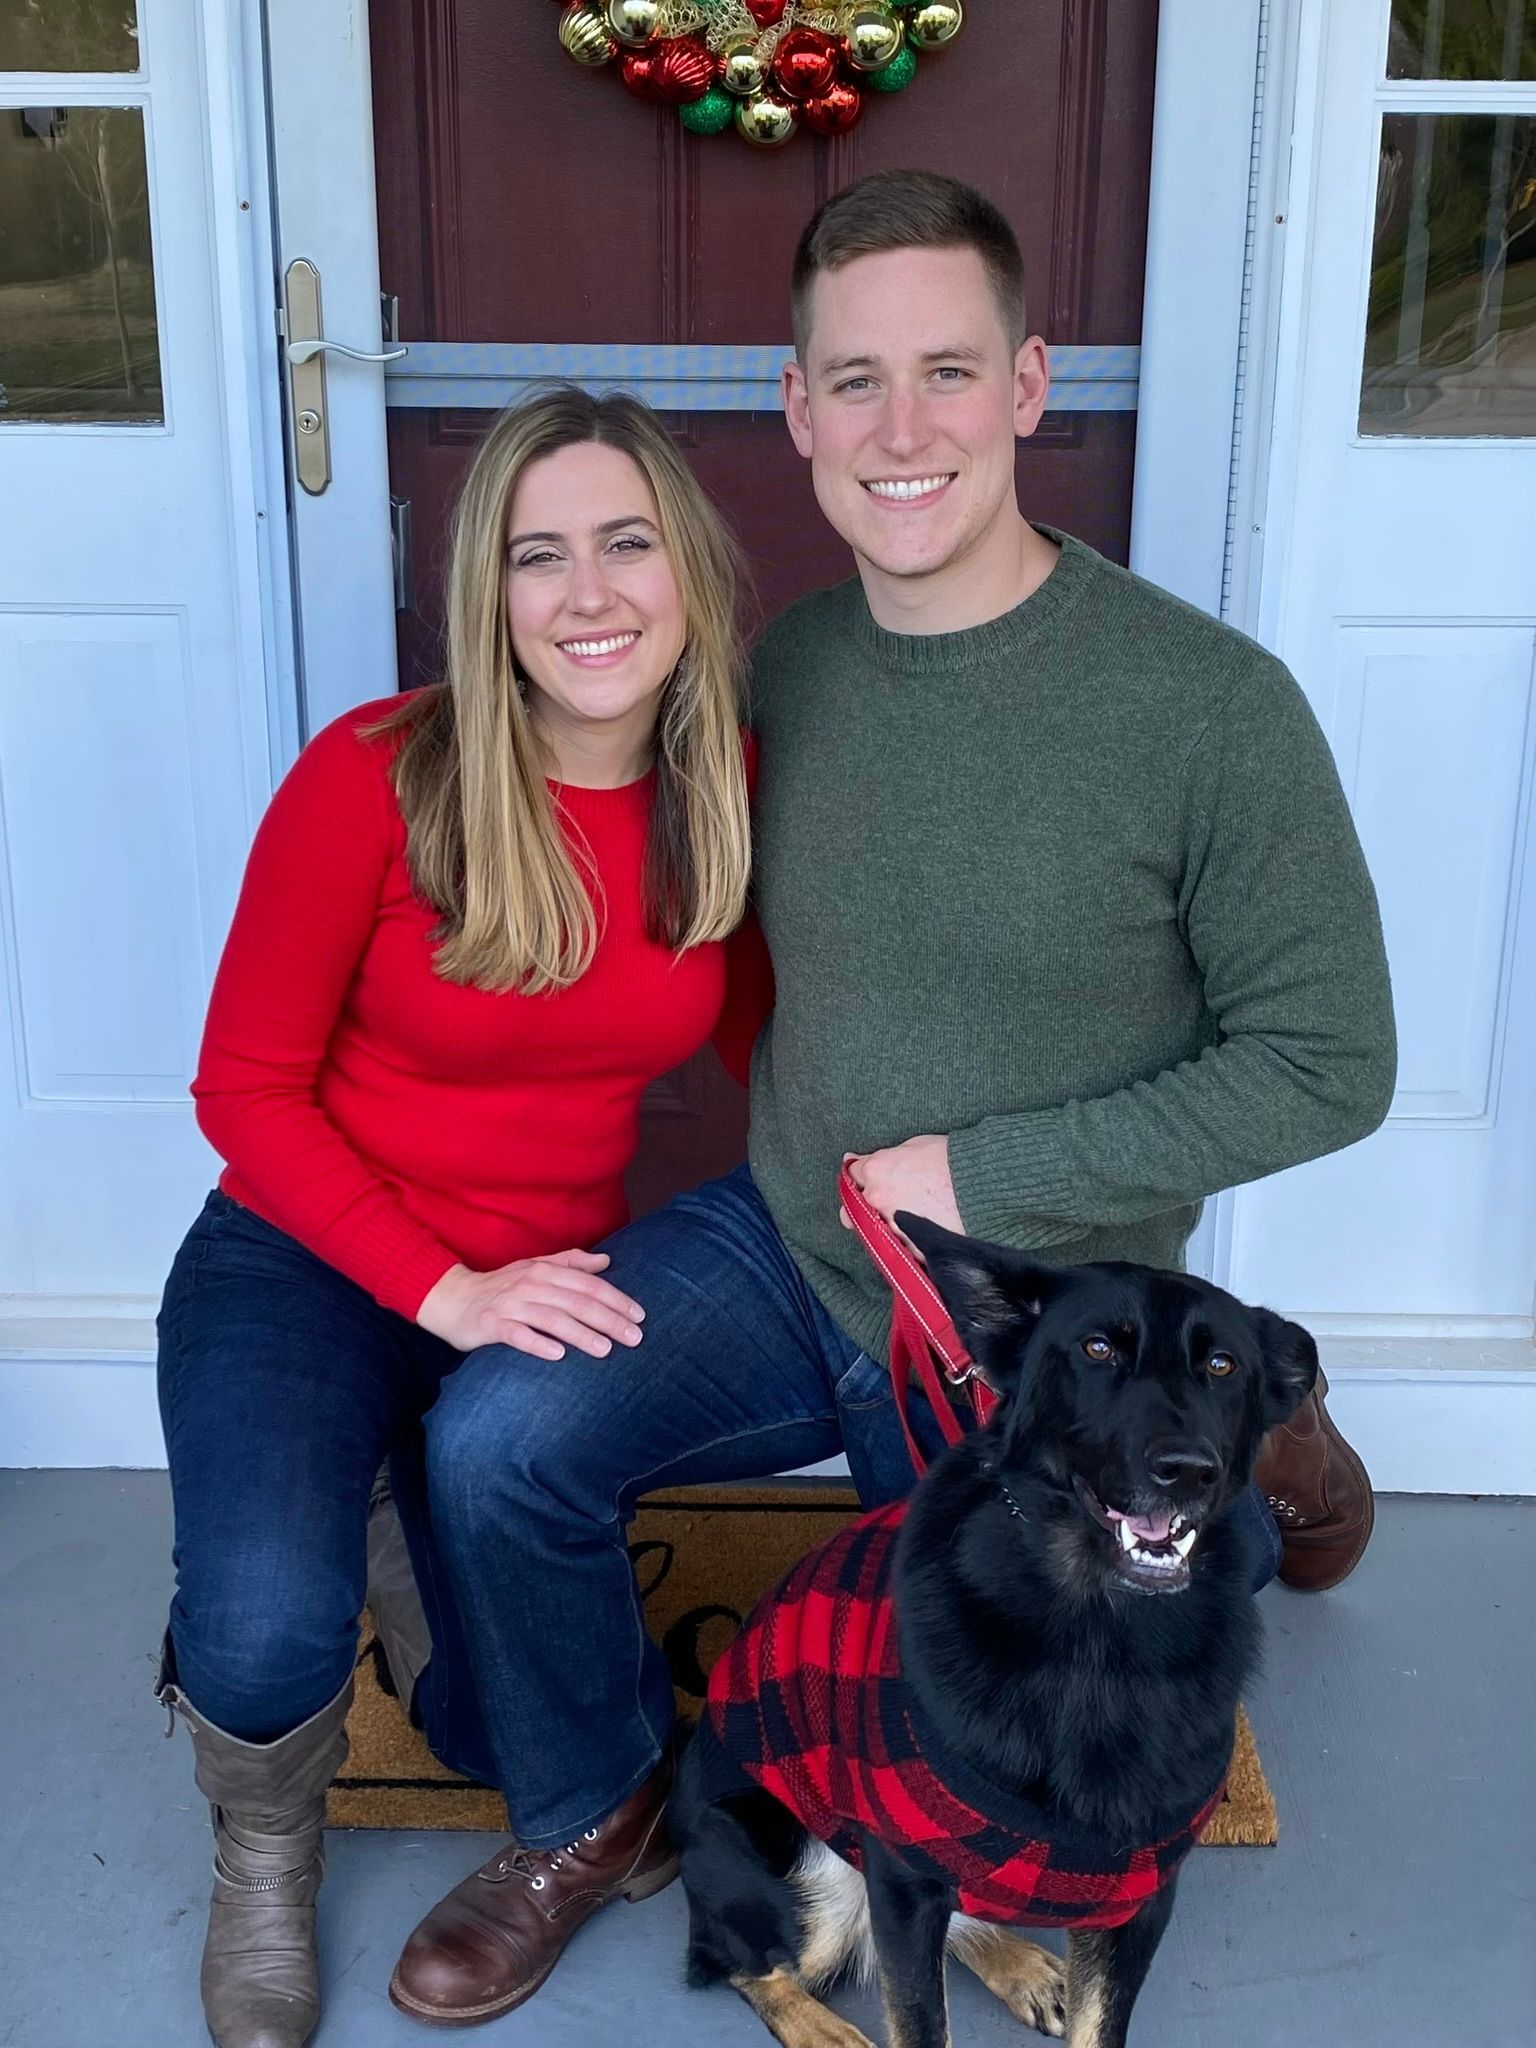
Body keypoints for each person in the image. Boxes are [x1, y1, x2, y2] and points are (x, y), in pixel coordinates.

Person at [388, 170, 1396, 2027]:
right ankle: (586, 1812)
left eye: (948, 371)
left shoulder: (1211, 709)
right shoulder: (778, 673)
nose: (902, 428)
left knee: (1094, 1645)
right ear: (798, 408)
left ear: (1030, 385)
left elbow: (1334, 1059)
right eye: (856, 379)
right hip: (792, 1245)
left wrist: (987, 1176)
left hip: (1038, 1324)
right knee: (494, 1447)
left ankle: (1277, 1451)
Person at [152, 385, 764, 2048]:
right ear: (486, 594)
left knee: (511, 1738)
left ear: (691, 572)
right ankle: (265, 1850)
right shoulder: (373, 776)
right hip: (305, 1259)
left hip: (540, 1282)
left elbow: (788, 1046)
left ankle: (388, 1507)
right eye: (536, 555)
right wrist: (441, 1292)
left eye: (626, 543)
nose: (588, 595)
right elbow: (243, 1092)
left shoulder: (724, 792)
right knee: (264, 1630)